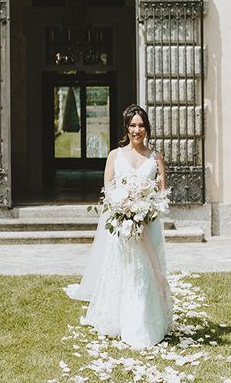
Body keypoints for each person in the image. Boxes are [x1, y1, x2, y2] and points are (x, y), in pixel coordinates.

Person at [67, 105, 173, 349]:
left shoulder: (156, 158)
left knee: (145, 269)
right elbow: (109, 190)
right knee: (125, 269)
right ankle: (121, 320)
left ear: (147, 128)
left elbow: (162, 192)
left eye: (141, 125)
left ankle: (148, 323)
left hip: (148, 224)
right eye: (133, 125)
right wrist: (124, 206)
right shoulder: (115, 155)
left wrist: (146, 205)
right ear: (126, 127)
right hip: (123, 224)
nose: (137, 130)